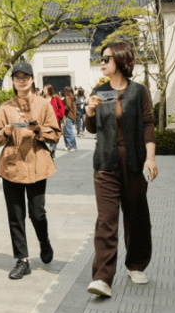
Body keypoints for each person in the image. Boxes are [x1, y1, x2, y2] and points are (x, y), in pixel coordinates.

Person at [85, 42, 157, 298]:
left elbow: (148, 124)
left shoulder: (138, 92)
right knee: (106, 220)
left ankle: (136, 265)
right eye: (101, 58)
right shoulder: (99, 91)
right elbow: (92, 128)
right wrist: (90, 111)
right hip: (105, 164)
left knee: (136, 215)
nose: (102, 62)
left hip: (134, 162)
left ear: (120, 59)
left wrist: (150, 158)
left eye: (107, 58)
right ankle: (102, 278)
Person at [0, 62, 61, 279]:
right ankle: (22, 260)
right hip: (11, 165)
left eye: (25, 77)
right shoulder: (5, 108)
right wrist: (5, 131)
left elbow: (55, 134)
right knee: (15, 214)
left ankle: (44, 241)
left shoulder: (44, 105)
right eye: (17, 77)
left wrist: (38, 129)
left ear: (32, 80)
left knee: (37, 212)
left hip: (37, 163)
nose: (21, 81)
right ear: (12, 81)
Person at [63, 87, 78, 151]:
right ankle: (69, 145)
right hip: (71, 115)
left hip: (68, 115)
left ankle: (72, 146)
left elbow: (67, 106)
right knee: (67, 131)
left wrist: (62, 109)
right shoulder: (72, 97)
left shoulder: (67, 97)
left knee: (68, 131)